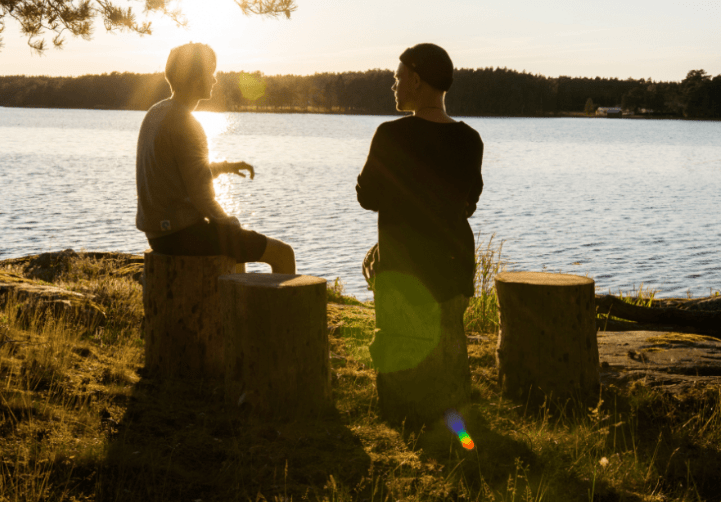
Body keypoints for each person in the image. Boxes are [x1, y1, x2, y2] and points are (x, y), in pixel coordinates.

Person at [355, 43, 483, 425]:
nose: (393, 86)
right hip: (453, 268)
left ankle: (405, 411)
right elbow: (469, 201)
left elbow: (368, 197)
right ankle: (452, 404)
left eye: (397, 78)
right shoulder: (470, 139)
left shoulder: (391, 135)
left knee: (375, 264)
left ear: (415, 78)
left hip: (404, 272)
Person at [136, 42, 295, 274]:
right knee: (282, 253)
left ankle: (238, 305)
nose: (215, 79)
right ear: (196, 80)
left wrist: (224, 167)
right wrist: (230, 221)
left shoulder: (157, 112)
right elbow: (202, 196)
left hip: (157, 235)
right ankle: (283, 310)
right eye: (210, 73)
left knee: (234, 243)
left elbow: (181, 175)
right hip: (182, 235)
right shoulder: (186, 123)